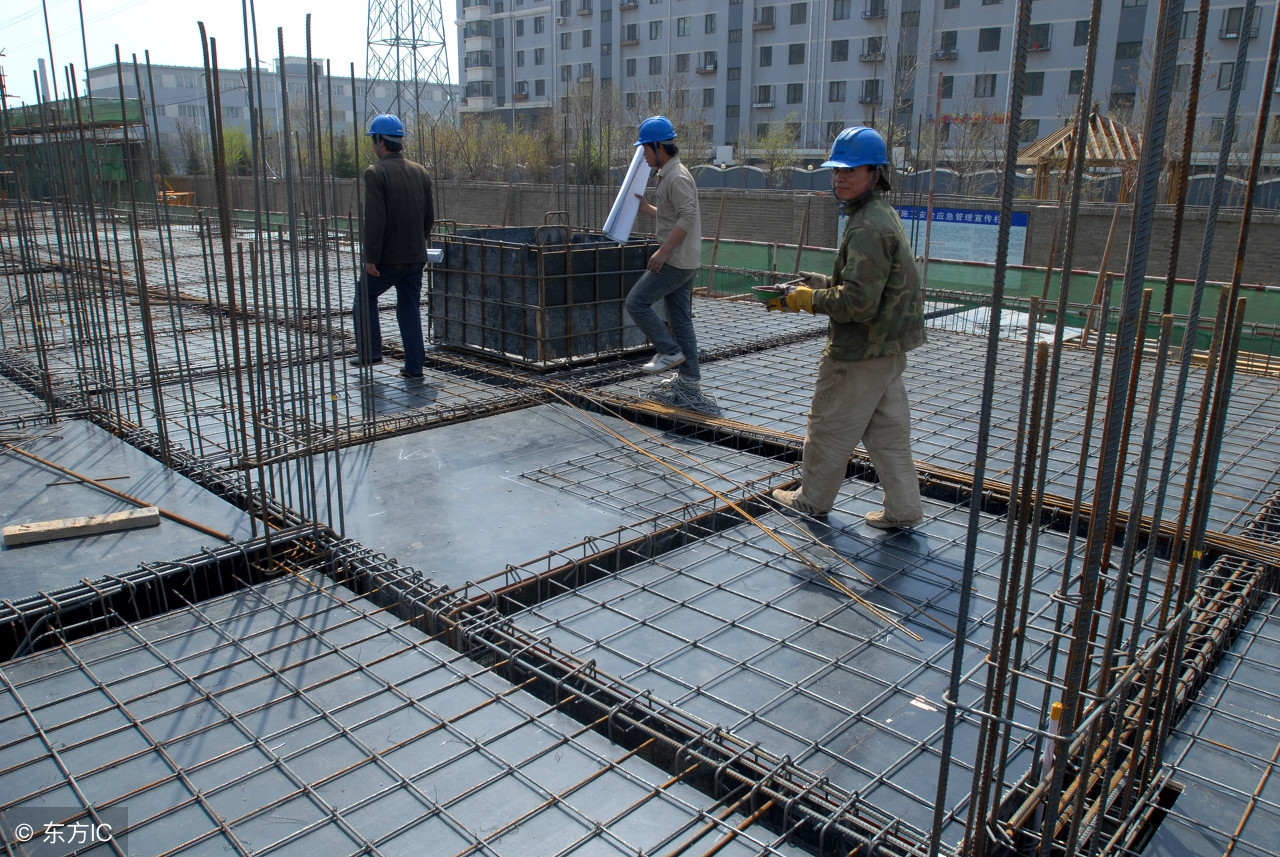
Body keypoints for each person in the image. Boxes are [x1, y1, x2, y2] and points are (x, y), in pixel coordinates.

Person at [766, 126, 926, 529]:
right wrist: (819, 284)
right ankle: (904, 510)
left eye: (851, 171)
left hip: (859, 351)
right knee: (888, 433)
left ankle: (812, 501)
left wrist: (804, 300)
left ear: (875, 173)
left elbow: (857, 303)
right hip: (888, 349)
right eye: (837, 170)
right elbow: (870, 283)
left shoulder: (867, 226)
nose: (840, 178)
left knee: (828, 426)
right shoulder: (878, 214)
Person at [624, 115, 714, 412]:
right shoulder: (671, 173)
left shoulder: (674, 177)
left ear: (658, 146)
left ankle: (668, 351)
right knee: (680, 320)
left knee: (636, 302)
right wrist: (645, 207)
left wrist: (662, 252)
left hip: (675, 260)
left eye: (645, 150)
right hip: (686, 260)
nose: (643, 156)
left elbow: (687, 217)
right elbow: (672, 214)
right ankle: (689, 379)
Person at [351, 113, 435, 381]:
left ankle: (369, 352)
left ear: (380, 142)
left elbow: (375, 220)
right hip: (415, 256)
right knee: (408, 307)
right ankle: (414, 367)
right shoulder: (420, 171)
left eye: (373, 141)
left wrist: (371, 257)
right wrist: (418, 245)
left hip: (388, 259)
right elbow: (429, 217)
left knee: (365, 296)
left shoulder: (376, 173)